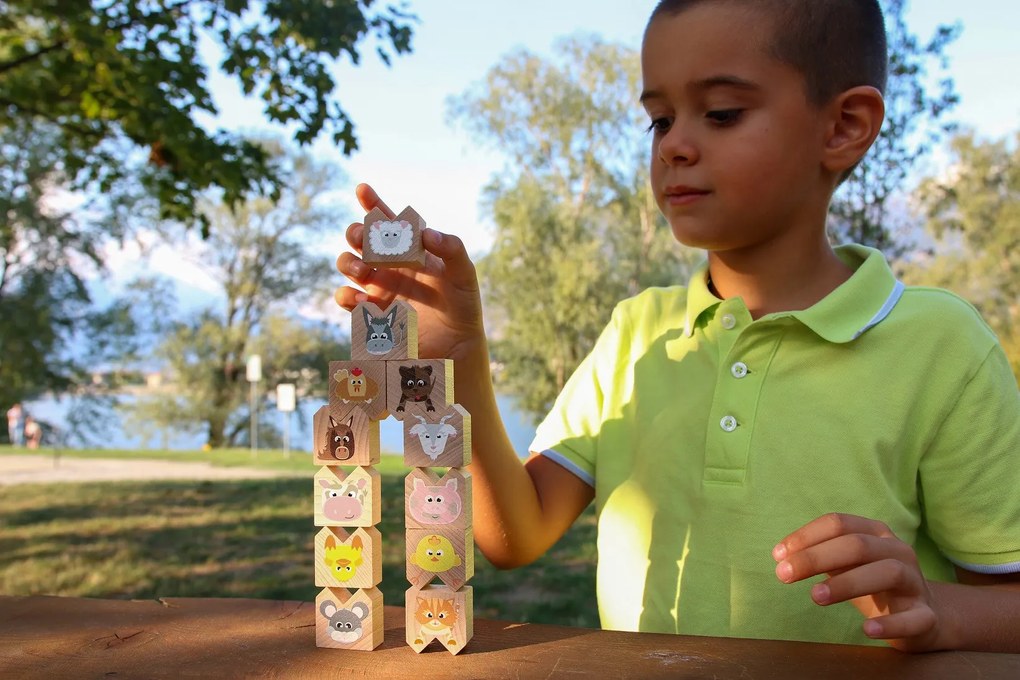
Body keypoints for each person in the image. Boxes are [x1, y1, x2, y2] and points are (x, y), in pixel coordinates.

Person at [335, 0, 1020, 652]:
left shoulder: (942, 348)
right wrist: (463, 363)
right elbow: (516, 536)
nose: (675, 148)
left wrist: (938, 611)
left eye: (721, 113)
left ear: (843, 127)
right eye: (659, 121)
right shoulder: (637, 332)